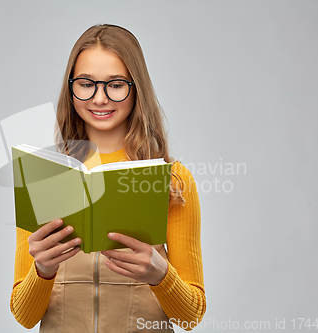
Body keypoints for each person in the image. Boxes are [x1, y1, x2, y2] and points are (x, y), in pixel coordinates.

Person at [10, 24, 205, 332]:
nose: (100, 99)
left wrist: (160, 274)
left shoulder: (173, 180)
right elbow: (24, 316)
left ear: (136, 87)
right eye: (86, 83)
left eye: (115, 85)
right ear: (71, 86)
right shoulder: (44, 175)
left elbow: (190, 316)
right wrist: (43, 269)